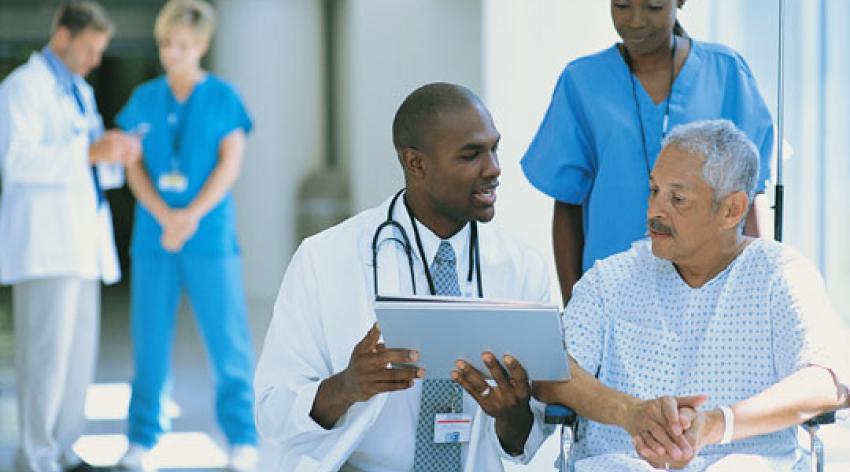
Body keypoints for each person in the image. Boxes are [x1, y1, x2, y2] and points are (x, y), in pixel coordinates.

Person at [254, 82, 555, 471]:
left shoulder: (523, 268)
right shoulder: (325, 260)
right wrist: (346, 386)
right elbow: (271, 413)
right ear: (416, 164)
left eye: (494, 148)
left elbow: (530, 439)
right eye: (471, 155)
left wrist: (512, 415)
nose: (494, 168)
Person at [533, 120, 849, 471]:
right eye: (654, 191)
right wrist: (631, 413)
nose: (655, 210)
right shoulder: (610, 278)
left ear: (731, 209)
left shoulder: (781, 275)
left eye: (678, 198)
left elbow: (828, 382)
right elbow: (553, 372)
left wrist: (718, 424)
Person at [521, 0, 775, 303]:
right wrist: (573, 304)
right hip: (611, 289)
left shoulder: (726, 72)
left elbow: (747, 198)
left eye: (653, 6)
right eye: (622, 5)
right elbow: (567, 204)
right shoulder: (582, 81)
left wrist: (756, 291)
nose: (636, 20)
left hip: (711, 286)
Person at [113, 0, 257, 469]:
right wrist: (164, 215)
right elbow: (132, 166)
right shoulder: (144, 99)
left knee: (227, 340)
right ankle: (142, 438)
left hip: (209, 237)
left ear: (201, 46)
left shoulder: (224, 98)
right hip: (155, 239)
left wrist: (189, 215)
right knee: (149, 341)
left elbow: (230, 164)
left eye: (181, 45)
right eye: (164, 44)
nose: (170, 54)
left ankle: (242, 439)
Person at [0, 1, 141, 471]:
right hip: (46, 249)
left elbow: (90, 164)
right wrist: (88, 151)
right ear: (62, 36)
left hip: (81, 247)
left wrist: (115, 154)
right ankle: (36, 458)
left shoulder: (79, 91)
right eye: (89, 48)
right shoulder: (22, 88)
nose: (96, 60)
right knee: (45, 363)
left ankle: (64, 450)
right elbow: (16, 162)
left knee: (77, 361)